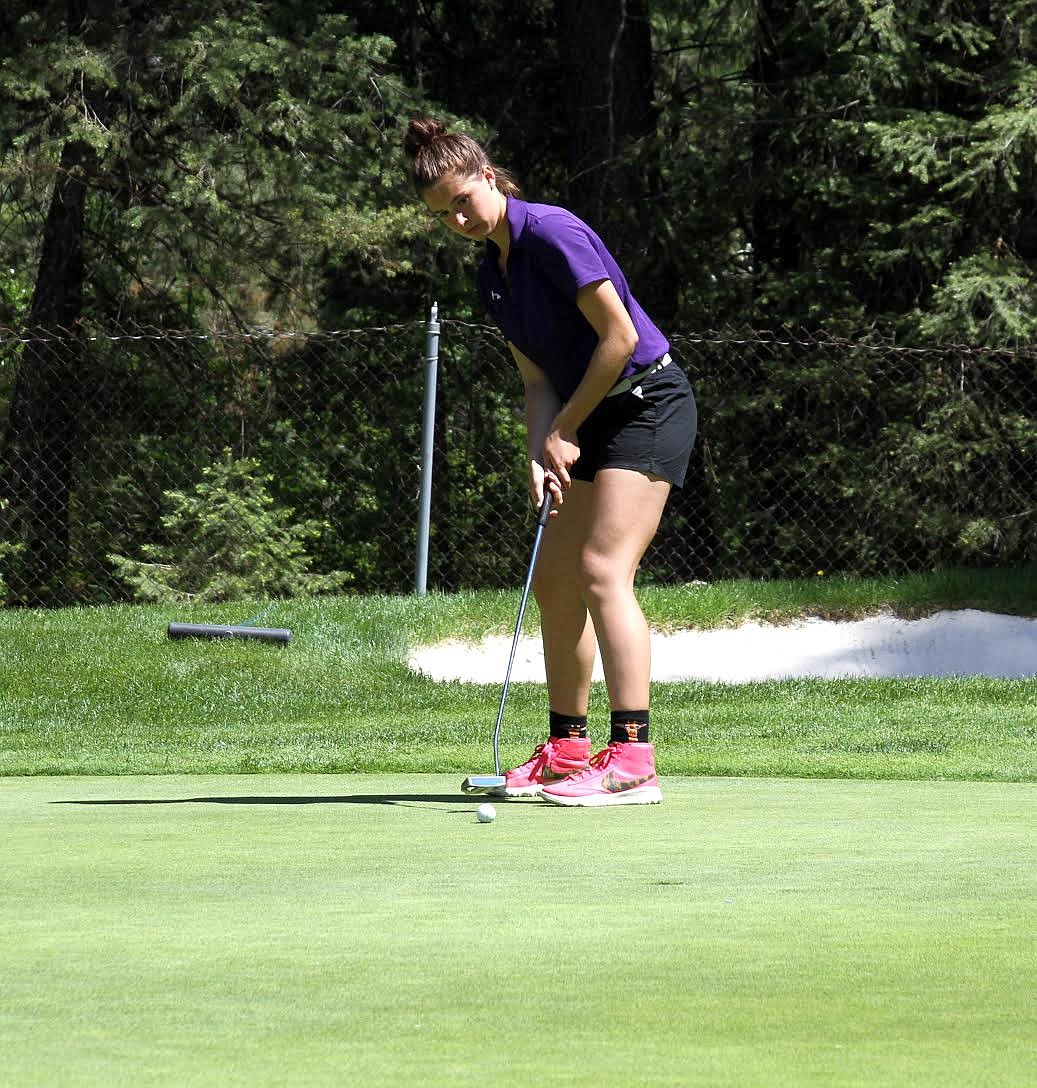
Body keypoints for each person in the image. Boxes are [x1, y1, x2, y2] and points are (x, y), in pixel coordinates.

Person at [404, 117, 697, 807]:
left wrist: (565, 430)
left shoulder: (552, 232)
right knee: (554, 580)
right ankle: (566, 751)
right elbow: (537, 380)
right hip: (581, 417)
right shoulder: (492, 273)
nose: (457, 218)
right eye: (441, 214)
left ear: (486, 175)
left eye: (462, 201)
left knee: (601, 571)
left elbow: (619, 339)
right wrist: (539, 455)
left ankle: (632, 761)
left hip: (645, 402)